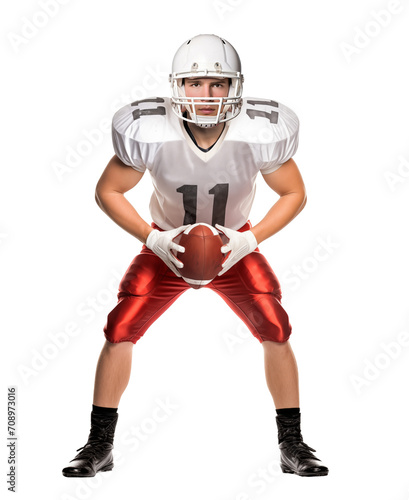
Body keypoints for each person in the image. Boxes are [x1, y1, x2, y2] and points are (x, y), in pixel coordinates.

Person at [62, 34, 328, 478]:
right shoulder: (152, 132)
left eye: (218, 84)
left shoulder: (256, 132)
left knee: (276, 326)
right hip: (167, 245)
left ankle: (292, 443)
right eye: (195, 83)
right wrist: (152, 239)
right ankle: (99, 444)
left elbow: (294, 193)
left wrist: (250, 239)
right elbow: (107, 191)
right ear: (177, 87)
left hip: (233, 245)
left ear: (235, 88)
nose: (206, 95)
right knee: (120, 327)